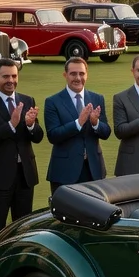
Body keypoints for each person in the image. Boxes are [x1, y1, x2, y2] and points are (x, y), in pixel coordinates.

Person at [0, 59, 42, 244]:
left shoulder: (28, 100)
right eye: (5, 76)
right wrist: (11, 124)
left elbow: (38, 137)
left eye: (14, 76)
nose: (10, 80)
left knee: (24, 228)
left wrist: (30, 125)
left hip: (25, 176)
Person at [45, 56, 110, 194]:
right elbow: (53, 135)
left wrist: (95, 123)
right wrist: (78, 123)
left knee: (95, 213)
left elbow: (106, 132)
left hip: (94, 170)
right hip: (65, 172)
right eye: (73, 74)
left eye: (81, 73)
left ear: (87, 74)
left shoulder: (97, 98)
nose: (78, 78)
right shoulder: (52, 101)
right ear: (65, 75)